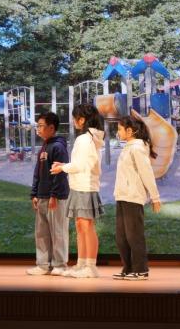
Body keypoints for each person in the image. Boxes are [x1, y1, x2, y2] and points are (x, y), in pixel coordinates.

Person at [50, 104, 104, 278]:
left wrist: (62, 168)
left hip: (84, 186)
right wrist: (64, 166)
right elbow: (81, 163)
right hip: (80, 185)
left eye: (75, 118)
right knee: (81, 226)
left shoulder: (85, 139)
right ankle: (82, 264)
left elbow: (80, 165)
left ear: (82, 120)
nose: (74, 121)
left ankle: (90, 266)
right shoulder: (89, 137)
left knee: (86, 226)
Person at [112, 116, 161, 281]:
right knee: (121, 237)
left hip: (133, 197)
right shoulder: (128, 147)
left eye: (119, 129)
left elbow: (147, 173)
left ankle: (141, 270)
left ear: (129, 131)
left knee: (134, 236)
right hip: (122, 196)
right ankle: (128, 268)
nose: (118, 132)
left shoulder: (138, 148)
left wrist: (155, 197)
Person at [26, 112, 70, 276]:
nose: (38, 129)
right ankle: (43, 265)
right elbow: (38, 172)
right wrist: (34, 193)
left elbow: (60, 173)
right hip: (42, 196)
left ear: (51, 128)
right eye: (37, 126)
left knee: (58, 231)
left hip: (55, 197)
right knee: (42, 232)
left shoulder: (58, 147)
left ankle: (60, 264)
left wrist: (54, 195)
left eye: (41, 126)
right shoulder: (44, 147)